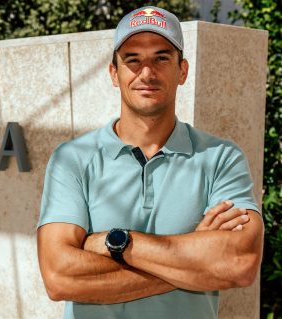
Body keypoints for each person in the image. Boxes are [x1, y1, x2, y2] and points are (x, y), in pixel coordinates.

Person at [37, 6, 264, 319]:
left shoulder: (221, 158)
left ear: (182, 70)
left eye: (161, 58)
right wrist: (193, 260)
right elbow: (59, 276)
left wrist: (115, 242)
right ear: (114, 74)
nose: (147, 73)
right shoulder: (72, 159)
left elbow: (239, 263)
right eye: (133, 60)